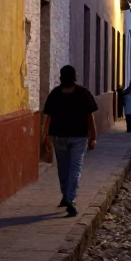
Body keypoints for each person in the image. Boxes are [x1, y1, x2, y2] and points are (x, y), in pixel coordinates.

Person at [41, 65, 98, 217]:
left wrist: (44, 136)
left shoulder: (55, 94)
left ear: (61, 77)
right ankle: (70, 198)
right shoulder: (83, 93)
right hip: (78, 137)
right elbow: (89, 118)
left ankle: (66, 196)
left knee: (63, 168)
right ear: (75, 77)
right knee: (75, 168)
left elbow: (48, 118)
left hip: (58, 136)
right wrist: (93, 137)